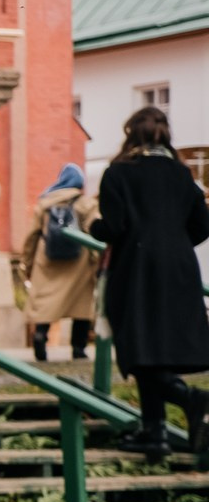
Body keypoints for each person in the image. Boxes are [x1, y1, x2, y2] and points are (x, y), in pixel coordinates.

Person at [90, 108, 209, 459]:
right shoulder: (181, 174)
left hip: (137, 267)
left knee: (139, 346)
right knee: (157, 349)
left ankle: (189, 398)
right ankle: (153, 431)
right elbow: (203, 225)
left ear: (130, 134)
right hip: (179, 268)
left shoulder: (119, 173)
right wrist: (172, 239)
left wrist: (93, 228)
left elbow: (114, 227)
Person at [19, 163, 99, 361]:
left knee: (46, 303)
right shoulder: (85, 203)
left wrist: (26, 263)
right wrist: (96, 259)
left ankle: (40, 336)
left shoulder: (45, 203)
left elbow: (32, 236)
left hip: (47, 261)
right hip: (78, 263)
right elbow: (95, 231)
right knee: (81, 305)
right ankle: (78, 348)